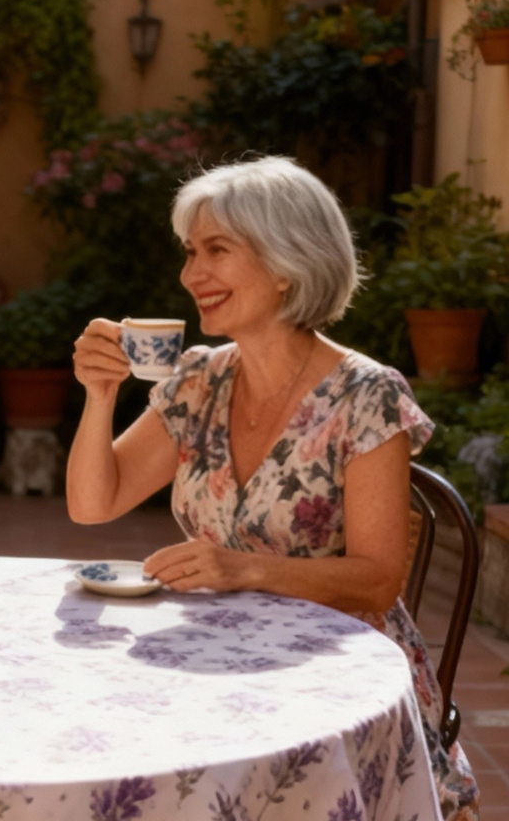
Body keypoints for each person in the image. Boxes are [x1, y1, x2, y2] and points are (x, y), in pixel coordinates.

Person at [67, 156, 478, 821]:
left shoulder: (366, 395)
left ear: (288, 262)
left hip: (337, 683)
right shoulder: (199, 380)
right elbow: (93, 505)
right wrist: (99, 394)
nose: (190, 275)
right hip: (216, 662)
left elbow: (378, 581)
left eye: (217, 251)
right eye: (190, 252)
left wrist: (244, 569)